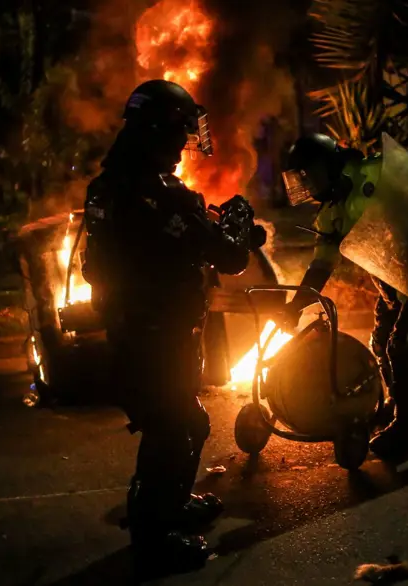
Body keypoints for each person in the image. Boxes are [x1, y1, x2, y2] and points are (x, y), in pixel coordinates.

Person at [83, 79, 265, 572]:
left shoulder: (108, 186)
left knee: (187, 422)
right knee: (171, 430)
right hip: (157, 337)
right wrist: (239, 224)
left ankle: (172, 505)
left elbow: (97, 265)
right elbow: (228, 257)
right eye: (180, 133)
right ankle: (153, 537)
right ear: (161, 133)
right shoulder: (161, 196)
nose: (184, 146)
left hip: (135, 332)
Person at [280, 134, 408, 464]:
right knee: (381, 342)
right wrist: (295, 305)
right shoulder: (331, 213)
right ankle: (398, 404)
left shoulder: (374, 173)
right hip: (391, 283)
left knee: (402, 345)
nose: (307, 185)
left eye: (309, 175)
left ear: (328, 164)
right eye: (301, 179)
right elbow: (322, 262)